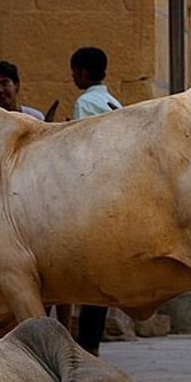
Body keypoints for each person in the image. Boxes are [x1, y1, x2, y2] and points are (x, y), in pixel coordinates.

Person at [69, 46, 123, 355]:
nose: (73, 77)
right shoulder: (113, 101)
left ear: (84, 73)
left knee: (90, 277)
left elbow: (86, 148)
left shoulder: (85, 102)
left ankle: (88, 347)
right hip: (115, 192)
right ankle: (92, 345)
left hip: (97, 196)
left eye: (75, 71)